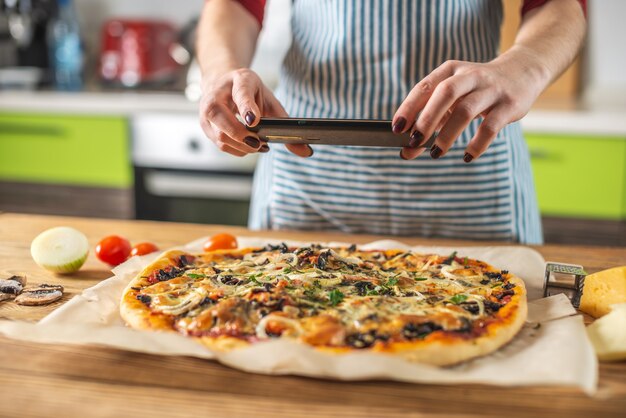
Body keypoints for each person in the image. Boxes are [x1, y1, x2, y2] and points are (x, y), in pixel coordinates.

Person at [196, 0, 586, 244]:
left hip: (467, 168)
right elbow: (234, 5)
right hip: (312, 177)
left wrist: (526, 67)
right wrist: (220, 71)